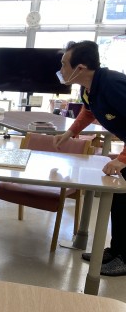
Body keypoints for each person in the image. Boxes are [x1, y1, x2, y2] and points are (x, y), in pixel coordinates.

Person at [53, 40, 126, 276]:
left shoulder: (113, 84)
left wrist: (123, 158)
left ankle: (125, 259)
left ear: (80, 68)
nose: (61, 69)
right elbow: (89, 111)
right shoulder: (89, 88)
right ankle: (117, 251)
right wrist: (69, 133)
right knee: (120, 201)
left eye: (64, 64)